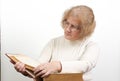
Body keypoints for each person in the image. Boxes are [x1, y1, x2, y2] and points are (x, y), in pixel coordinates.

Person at [12, 5, 99, 81]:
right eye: (67, 23)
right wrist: (26, 71)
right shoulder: (54, 42)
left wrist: (58, 65)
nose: (67, 29)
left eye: (73, 26)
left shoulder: (91, 46)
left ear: (85, 29)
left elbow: (85, 65)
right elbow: (38, 66)